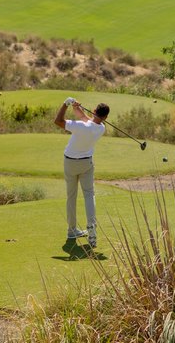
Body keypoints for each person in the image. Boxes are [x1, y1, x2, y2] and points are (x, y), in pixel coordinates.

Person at [55, 97, 109, 247]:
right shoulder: (101, 128)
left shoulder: (80, 126)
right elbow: (87, 119)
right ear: (105, 117)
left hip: (70, 163)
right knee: (89, 195)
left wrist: (65, 104)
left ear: (95, 111)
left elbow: (58, 121)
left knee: (71, 196)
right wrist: (77, 109)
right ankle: (91, 227)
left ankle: (72, 230)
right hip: (86, 164)